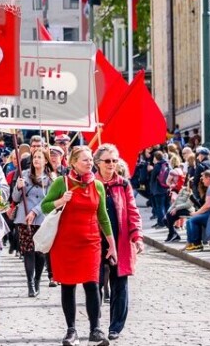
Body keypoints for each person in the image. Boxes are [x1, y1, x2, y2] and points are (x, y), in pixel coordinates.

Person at [41, 146, 117, 346]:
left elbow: (103, 216)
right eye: (85, 160)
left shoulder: (98, 185)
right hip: (65, 243)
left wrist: (111, 243)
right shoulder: (61, 182)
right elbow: (45, 206)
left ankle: (95, 329)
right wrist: (60, 200)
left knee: (93, 284)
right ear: (73, 162)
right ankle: (71, 330)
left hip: (91, 242)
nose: (90, 163)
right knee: (68, 285)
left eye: (91, 160)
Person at [94, 145, 143, 340]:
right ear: (97, 163)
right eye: (107, 161)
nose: (112, 164)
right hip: (95, 240)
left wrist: (137, 236)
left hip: (120, 240)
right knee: (94, 284)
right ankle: (94, 324)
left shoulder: (123, 184)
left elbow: (132, 210)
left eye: (114, 160)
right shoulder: (89, 183)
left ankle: (115, 327)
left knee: (119, 284)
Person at [11, 146, 53, 298]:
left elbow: (49, 200)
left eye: (39, 157)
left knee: (40, 253)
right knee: (28, 251)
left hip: (41, 219)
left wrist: (36, 211)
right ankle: (30, 283)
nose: (36, 160)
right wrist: (17, 186)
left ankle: (37, 280)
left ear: (46, 161)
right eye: (34, 157)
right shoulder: (24, 175)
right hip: (24, 218)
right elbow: (15, 198)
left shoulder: (50, 179)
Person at [184, 171, 210, 251]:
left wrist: (196, 213)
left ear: (209, 178)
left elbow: (207, 205)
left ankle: (197, 244)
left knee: (192, 220)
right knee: (190, 221)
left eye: (204, 179)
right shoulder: (209, 188)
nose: (202, 181)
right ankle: (192, 243)